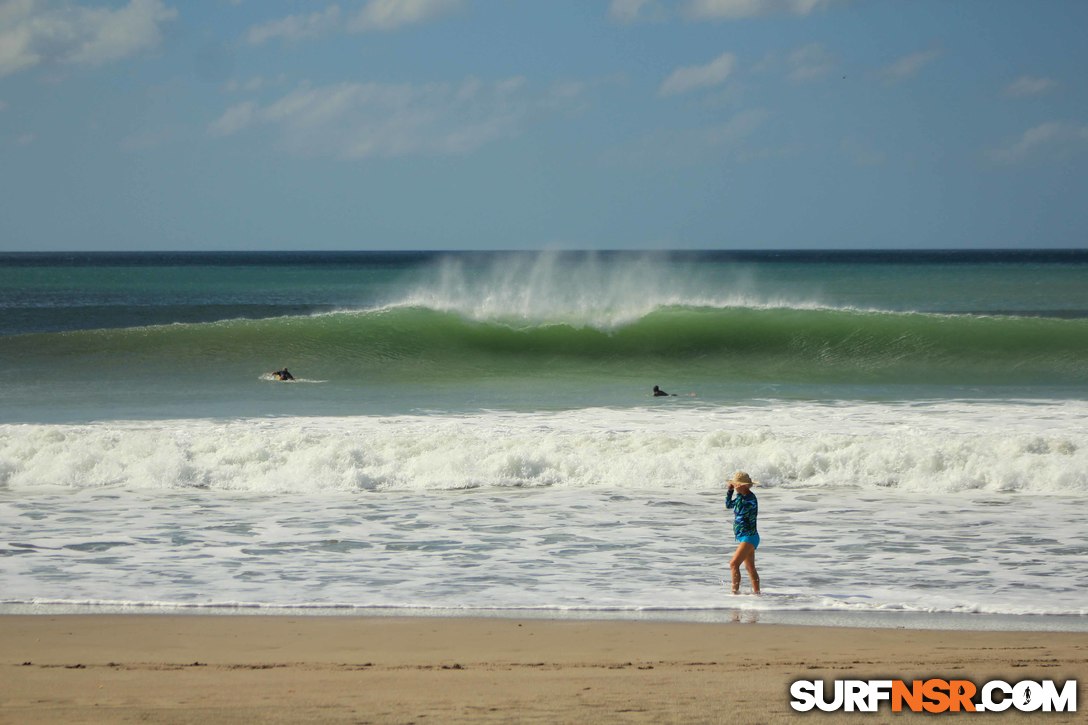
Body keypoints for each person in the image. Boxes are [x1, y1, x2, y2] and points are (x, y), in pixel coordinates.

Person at [725, 471, 760, 595]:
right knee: (750, 568)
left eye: (736, 484)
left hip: (749, 536)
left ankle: (734, 593)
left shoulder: (751, 499)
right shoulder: (740, 497)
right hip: (744, 537)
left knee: (734, 563)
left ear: (744, 485)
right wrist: (730, 492)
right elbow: (729, 505)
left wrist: (738, 495)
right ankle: (757, 594)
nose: (734, 485)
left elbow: (744, 511)